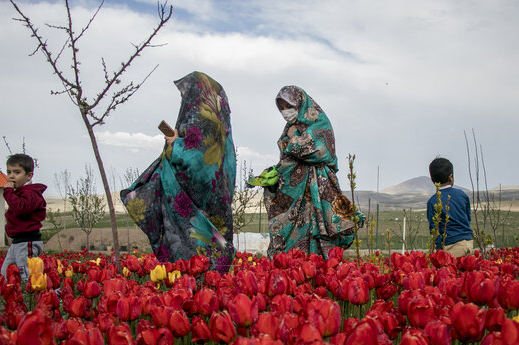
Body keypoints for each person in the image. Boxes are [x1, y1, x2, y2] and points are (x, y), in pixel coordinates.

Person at [121, 71, 236, 274]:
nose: (183, 99)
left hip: (195, 209)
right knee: (213, 276)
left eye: (186, 94)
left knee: (193, 268)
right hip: (218, 204)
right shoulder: (222, 128)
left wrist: (175, 146)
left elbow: (196, 161)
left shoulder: (199, 122)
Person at [261, 85, 362, 259]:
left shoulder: (320, 124)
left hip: (319, 192)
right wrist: (275, 174)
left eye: (289, 106)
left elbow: (318, 151)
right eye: (282, 108)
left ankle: (319, 276)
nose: (286, 112)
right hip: (295, 195)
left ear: (301, 103)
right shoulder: (289, 128)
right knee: (290, 244)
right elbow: (288, 158)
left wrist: (293, 140)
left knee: (319, 239)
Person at [0, 153, 47, 282]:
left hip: (28, 241)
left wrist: (8, 192)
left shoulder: (31, 193)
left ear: (29, 175)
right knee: (5, 273)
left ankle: (50, 296)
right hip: (17, 241)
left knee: (28, 276)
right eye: (9, 172)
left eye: (17, 172)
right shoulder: (21, 193)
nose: (11, 176)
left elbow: (21, 208)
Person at [426, 157, 473, 257]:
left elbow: (434, 229)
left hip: (451, 246)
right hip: (468, 241)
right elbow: (468, 218)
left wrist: (439, 251)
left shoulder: (433, 201)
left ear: (432, 180)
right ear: (451, 177)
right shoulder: (462, 195)